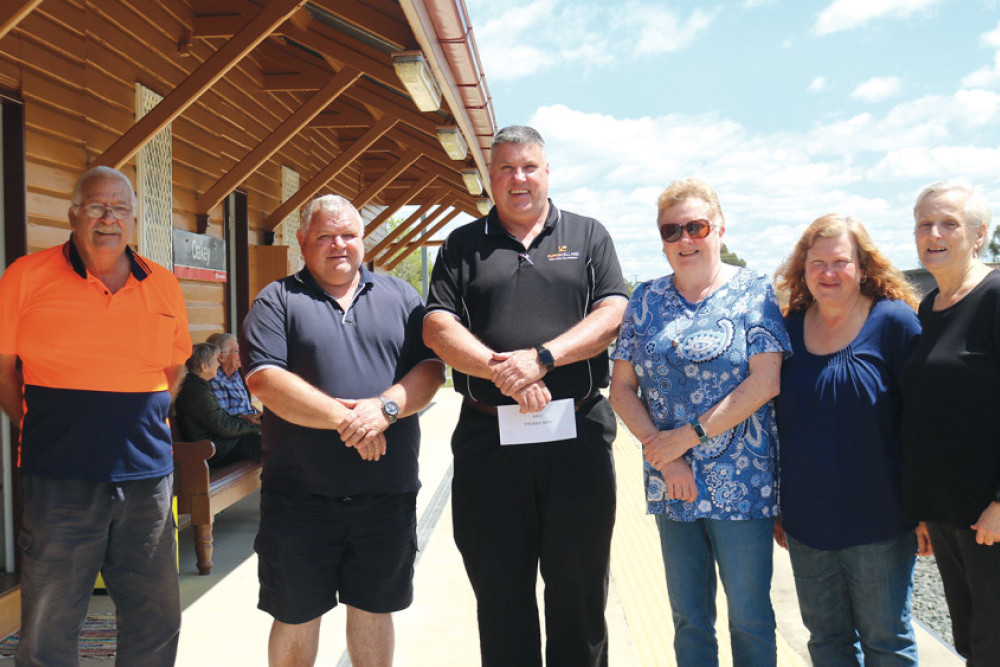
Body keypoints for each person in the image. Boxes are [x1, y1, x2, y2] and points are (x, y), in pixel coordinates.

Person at [423, 125, 628, 666]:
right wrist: (501, 371)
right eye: (506, 168)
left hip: (576, 438)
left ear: (547, 172)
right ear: (491, 177)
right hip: (488, 443)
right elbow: (437, 326)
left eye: (529, 166)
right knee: (500, 593)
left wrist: (542, 358)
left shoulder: (588, 236)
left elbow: (612, 314)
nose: (519, 178)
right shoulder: (462, 245)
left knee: (579, 594)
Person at [240, 194, 444, 667]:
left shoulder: (401, 297)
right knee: (295, 615)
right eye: (326, 236)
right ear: (303, 242)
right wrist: (351, 419)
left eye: (349, 235)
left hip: (384, 495)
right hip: (299, 499)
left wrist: (386, 408)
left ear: (363, 240)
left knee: (374, 611)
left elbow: (431, 369)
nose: (339, 245)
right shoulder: (277, 300)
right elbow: (265, 379)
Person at [0, 166, 191, 665]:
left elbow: (174, 370)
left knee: (156, 620)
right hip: (58, 478)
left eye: (119, 209)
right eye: (96, 207)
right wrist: (45, 425)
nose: (109, 219)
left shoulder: (163, 284)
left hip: (148, 482)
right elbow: (3, 371)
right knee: (49, 624)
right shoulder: (25, 276)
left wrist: (134, 424)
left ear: (134, 218)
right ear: (72, 216)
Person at [608, 177, 790, 667]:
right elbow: (620, 388)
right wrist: (664, 455)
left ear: (720, 230)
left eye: (696, 226)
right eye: (672, 230)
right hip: (672, 483)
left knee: (749, 617)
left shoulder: (754, 292)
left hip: (743, 483)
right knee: (689, 617)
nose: (685, 239)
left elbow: (766, 381)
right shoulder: (645, 300)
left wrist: (684, 440)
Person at [773, 214, 924, 665]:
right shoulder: (789, 329)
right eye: (816, 263)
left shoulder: (895, 323)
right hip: (806, 522)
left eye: (840, 261)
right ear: (803, 270)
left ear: (863, 266)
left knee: (887, 642)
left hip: (880, 521)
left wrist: (924, 510)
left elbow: (922, 422)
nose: (828, 272)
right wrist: (780, 505)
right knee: (826, 640)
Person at [901, 180, 1000, 666]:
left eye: (949, 223)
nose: (933, 233)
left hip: (991, 515)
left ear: (980, 234)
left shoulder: (996, 295)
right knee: (970, 641)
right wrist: (926, 510)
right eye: (924, 223)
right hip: (948, 513)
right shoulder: (930, 307)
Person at [174, 342, 262, 467]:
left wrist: (246, 421)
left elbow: (221, 419)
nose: (218, 364)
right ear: (204, 367)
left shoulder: (198, 387)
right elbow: (223, 426)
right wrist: (255, 428)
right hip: (211, 452)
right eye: (215, 361)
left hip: (217, 445)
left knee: (267, 441)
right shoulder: (196, 392)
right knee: (266, 444)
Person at [206, 332, 260, 425]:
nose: (242, 354)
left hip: (250, 428)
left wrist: (259, 414)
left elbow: (244, 406)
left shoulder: (235, 375)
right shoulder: (214, 381)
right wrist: (247, 418)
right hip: (238, 434)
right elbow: (224, 419)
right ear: (221, 357)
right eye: (237, 351)